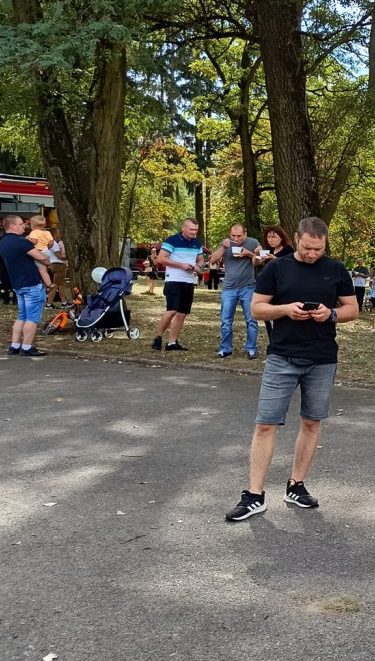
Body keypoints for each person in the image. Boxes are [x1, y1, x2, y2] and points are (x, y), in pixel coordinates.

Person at [225, 217, 358, 522]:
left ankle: (296, 485)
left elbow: (352, 309)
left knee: (312, 422)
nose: (312, 254)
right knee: (265, 424)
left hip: (322, 358)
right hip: (282, 356)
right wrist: (285, 310)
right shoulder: (276, 268)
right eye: (307, 247)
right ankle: (255, 495)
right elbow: (257, 308)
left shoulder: (336, 269)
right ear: (296, 238)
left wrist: (331, 314)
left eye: (318, 249)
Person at [0, 214, 52, 356]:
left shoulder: (3, 242)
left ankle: (14, 345)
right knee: (32, 318)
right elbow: (41, 257)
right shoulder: (21, 242)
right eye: (21, 224)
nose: (24, 226)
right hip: (31, 282)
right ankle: (27, 347)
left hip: (17, 283)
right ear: (12, 226)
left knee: (22, 315)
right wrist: (47, 261)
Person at [208, 224, 262, 359]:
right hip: (229, 288)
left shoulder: (253, 242)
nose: (236, 239)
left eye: (239, 236)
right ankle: (225, 348)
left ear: (245, 234)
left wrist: (249, 253)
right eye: (233, 236)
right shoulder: (225, 243)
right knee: (226, 320)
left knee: (251, 319)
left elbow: (258, 263)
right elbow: (212, 260)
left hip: (248, 286)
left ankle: (251, 348)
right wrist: (223, 248)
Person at [151, 218, 204, 352]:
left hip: (189, 281)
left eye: (196, 230)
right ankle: (158, 337)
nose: (194, 232)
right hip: (173, 280)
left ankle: (172, 342)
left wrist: (197, 267)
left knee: (182, 313)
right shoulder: (172, 240)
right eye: (191, 229)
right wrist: (181, 265)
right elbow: (161, 259)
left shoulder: (197, 243)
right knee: (172, 310)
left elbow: (200, 260)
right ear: (183, 228)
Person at [45, 237, 67, 308]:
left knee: (62, 284)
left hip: (54, 264)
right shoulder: (54, 243)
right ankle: (49, 304)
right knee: (56, 284)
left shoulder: (50, 243)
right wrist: (67, 255)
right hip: (58, 265)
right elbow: (60, 256)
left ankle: (64, 302)